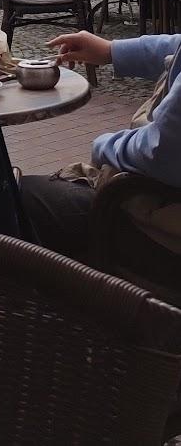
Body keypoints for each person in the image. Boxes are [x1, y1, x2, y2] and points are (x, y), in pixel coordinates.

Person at [20, 28, 181, 272]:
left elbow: (163, 155)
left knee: (22, 196)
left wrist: (103, 146)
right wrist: (112, 51)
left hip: (165, 228)